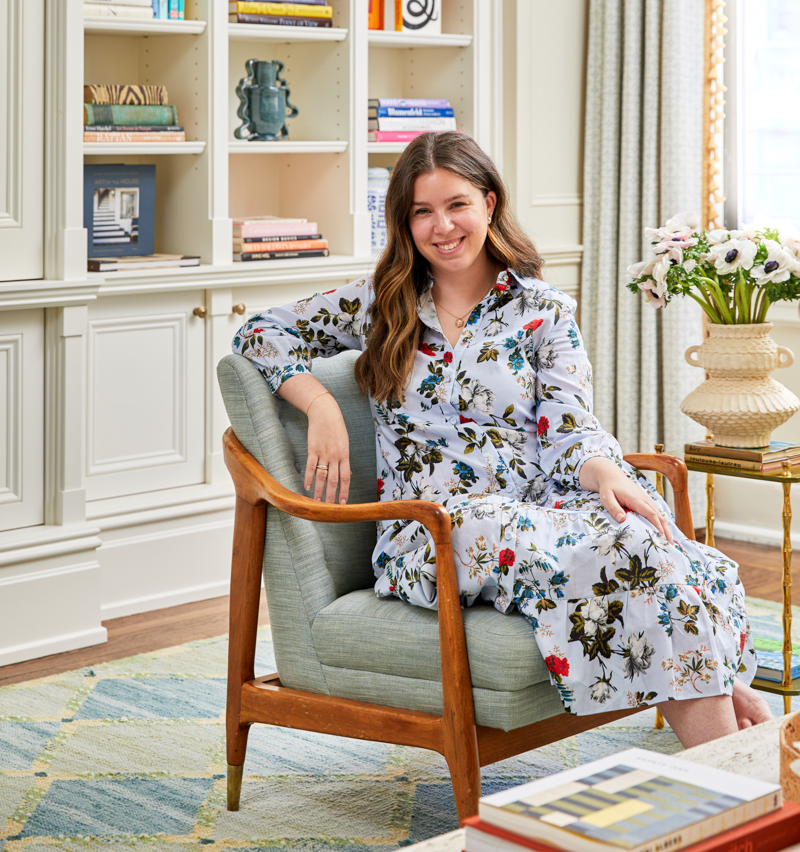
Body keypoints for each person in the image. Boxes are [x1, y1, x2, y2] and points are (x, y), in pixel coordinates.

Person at [232, 132, 771, 746]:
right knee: (627, 556)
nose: (442, 226)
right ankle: (730, 746)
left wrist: (610, 476)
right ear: (404, 223)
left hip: (537, 511)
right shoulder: (380, 303)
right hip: (432, 530)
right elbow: (259, 333)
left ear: (489, 204)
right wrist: (322, 404)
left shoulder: (543, 310)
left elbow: (570, 430)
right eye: (421, 212)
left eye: (456, 204)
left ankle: (729, 765)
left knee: (652, 540)